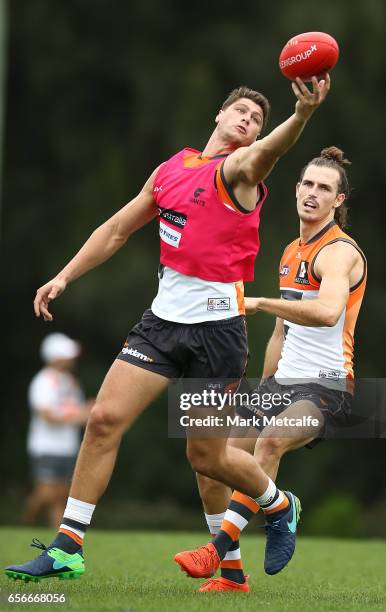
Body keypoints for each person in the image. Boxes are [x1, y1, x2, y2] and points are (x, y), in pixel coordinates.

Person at [5, 76, 330, 583]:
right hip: (160, 325)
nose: (247, 120)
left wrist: (302, 116)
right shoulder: (170, 171)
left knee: (206, 458)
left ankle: (278, 504)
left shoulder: (241, 170)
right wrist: (64, 276)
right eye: (240, 111)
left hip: (217, 334)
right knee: (103, 420)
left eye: (256, 119)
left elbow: (268, 151)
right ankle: (67, 548)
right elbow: (116, 229)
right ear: (219, 117)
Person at [175, 146, 367, 593]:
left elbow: (324, 312)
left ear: (339, 200)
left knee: (271, 440)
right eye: (308, 184)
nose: (313, 193)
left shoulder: (339, 254)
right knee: (212, 461)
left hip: (326, 389)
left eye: (325, 188)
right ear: (296, 188)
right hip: (280, 384)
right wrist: (261, 385)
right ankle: (236, 575)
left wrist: (258, 301)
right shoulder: (289, 252)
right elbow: (281, 333)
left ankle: (219, 548)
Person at [24, 333, 91, 529]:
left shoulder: (71, 382)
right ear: (55, 356)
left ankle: (57, 537)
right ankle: (26, 521)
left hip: (67, 446)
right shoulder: (43, 381)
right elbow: (46, 415)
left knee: (60, 494)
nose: (72, 358)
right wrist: (80, 415)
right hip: (46, 446)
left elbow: (76, 411)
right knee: (48, 493)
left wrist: (88, 412)